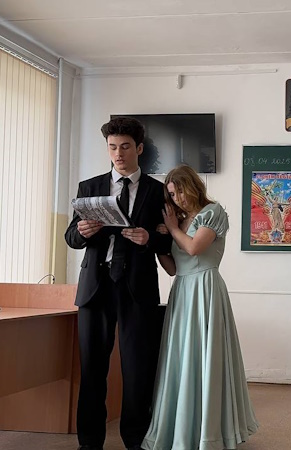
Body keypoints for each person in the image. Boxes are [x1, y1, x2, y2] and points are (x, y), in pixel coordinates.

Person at [65, 117, 171, 450]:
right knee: (92, 370)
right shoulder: (89, 187)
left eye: (125, 147)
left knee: (138, 371)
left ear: (139, 148)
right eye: (112, 147)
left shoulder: (157, 191)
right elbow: (71, 237)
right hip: (95, 288)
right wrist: (81, 232)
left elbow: (169, 241)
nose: (118, 154)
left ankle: (136, 441)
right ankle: (89, 443)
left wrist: (149, 238)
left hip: (137, 289)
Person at [142, 164, 258, 450]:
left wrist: (171, 229)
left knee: (207, 357)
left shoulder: (212, 212)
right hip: (182, 290)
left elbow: (194, 248)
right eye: (172, 194)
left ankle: (210, 432)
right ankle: (182, 430)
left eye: (180, 191)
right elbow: (172, 268)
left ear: (193, 186)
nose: (178, 198)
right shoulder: (180, 220)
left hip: (205, 289)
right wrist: (157, 243)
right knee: (181, 358)